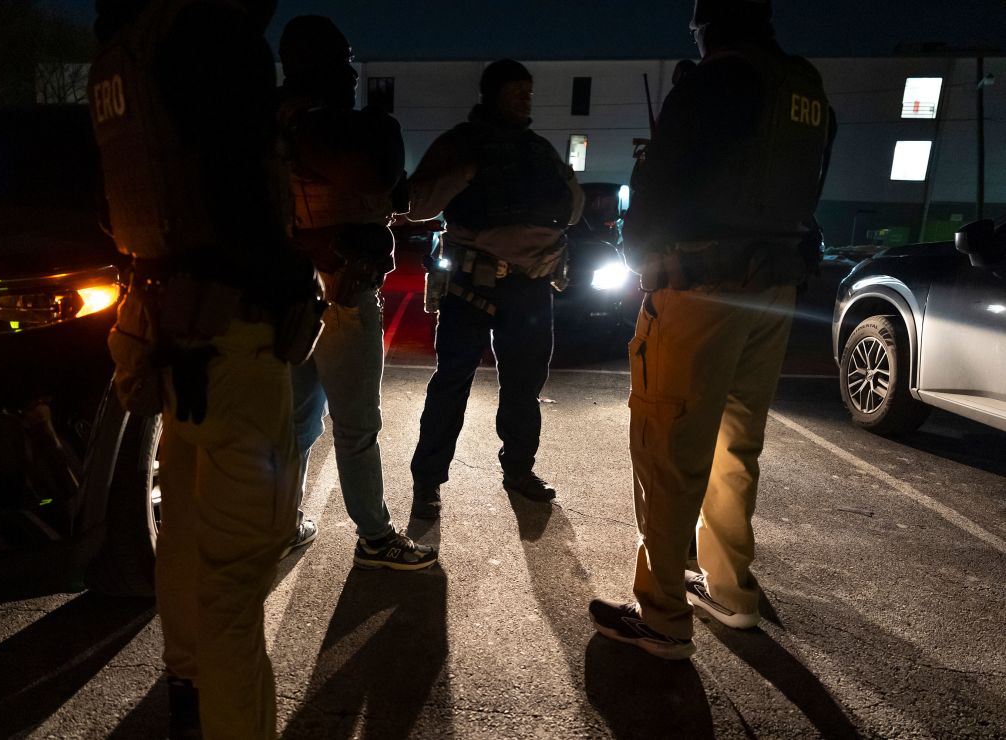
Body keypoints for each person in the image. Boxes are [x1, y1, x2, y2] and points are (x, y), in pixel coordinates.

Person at [89, 0, 321, 735]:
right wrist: (294, 284)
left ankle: (187, 684)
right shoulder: (215, 35)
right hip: (235, 329)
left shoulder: (126, 47)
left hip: (168, 325)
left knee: (186, 531)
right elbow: (236, 187)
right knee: (235, 578)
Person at [589, 0, 836, 660]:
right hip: (774, 289)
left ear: (706, 24)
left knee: (668, 448)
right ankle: (731, 591)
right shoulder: (804, 87)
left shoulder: (713, 81)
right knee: (736, 443)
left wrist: (642, 257)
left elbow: (663, 186)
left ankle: (664, 615)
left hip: (702, 286)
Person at [277, 16, 438, 570]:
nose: (350, 72)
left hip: (290, 295)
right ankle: (374, 536)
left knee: (297, 421)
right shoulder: (333, 128)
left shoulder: (274, 123)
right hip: (341, 294)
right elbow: (383, 180)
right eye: (342, 60)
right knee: (356, 426)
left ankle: (283, 524)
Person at [407, 59, 584, 518]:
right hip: (471, 283)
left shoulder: (540, 150)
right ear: (490, 95)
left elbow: (571, 208)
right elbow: (418, 203)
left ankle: (519, 470)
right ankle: (428, 481)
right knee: (452, 382)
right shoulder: (461, 143)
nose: (524, 98)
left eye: (528, 90)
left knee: (524, 385)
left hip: (529, 287)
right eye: (514, 91)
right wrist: (463, 173)